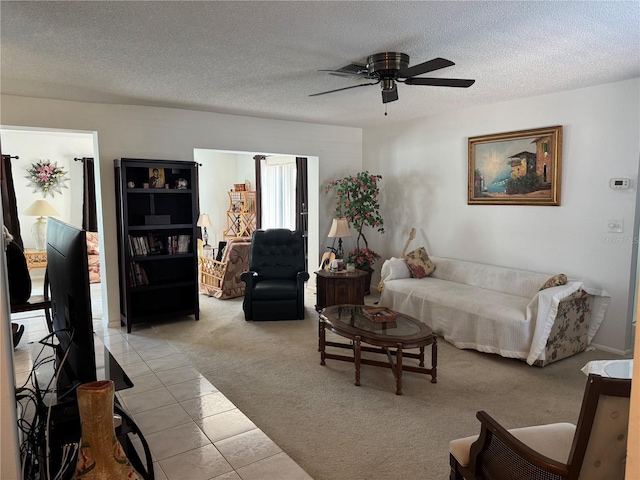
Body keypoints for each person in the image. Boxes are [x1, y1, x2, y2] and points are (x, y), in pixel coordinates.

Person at [3, 226, 31, 348]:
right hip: (19, 291)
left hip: (17, 294)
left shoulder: (6, 250)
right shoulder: (9, 245)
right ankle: (8, 328)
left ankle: (8, 329)